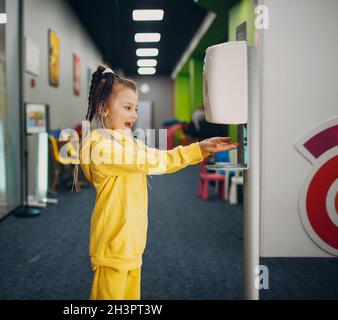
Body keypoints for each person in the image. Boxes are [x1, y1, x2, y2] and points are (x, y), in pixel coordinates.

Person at [79, 65, 238, 300]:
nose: (134, 115)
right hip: (113, 246)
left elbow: (161, 158)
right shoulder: (101, 148)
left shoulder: (128, 144)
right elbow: (154, 161)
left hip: (132, 243)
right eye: (126, 108)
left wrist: (201, 149)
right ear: (103, 108)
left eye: (134, 108)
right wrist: (196, 149)